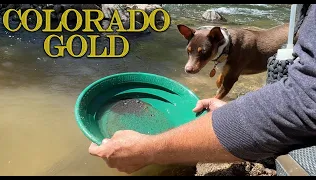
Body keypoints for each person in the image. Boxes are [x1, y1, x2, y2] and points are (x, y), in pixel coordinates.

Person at [88, 4, 316, 174]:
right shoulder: (214, 42)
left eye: (202, 57)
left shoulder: (239, 47)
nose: (190, 67)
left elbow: (302, 101)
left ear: (217, 40)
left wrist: (150, 149)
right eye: (190, 53)